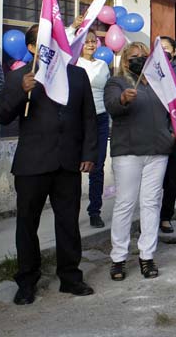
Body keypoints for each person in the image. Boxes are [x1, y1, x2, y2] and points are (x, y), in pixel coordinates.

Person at [0, 25, 97, 305]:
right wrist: (21, 91)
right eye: (42, 42)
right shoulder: (19, 76)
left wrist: (89, 153)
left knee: (68, 223)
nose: (51, 44)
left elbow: (89, 117)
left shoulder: (76, 74)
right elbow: (2, 116)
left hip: (68, 163)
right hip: (32, 164)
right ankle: (27, 281)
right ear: (30, 48)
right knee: (27, 224)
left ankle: (71, 278)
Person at [104, 42, 173, 280]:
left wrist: (171, 136)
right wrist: (123, 99)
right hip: (128, 152)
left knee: (151, 203)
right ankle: (119, 258)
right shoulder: (117, 82)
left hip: (157, 151)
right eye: (135, 56)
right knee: (125, 204)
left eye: (144, 56)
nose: (140, 59)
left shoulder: (157, 82)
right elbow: (111, 106)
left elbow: (173, 109)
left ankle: (147, 255)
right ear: (125, 61)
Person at [73, 30, 111, 228]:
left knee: (97, 166)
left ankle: (94, 211)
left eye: (93, 41)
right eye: (86, 41)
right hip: (77, 120)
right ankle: (71, 212)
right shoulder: (73, 63)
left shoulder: (103, 65)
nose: (90, 44)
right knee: (73, 167)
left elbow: (107, 91)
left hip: (100, 119)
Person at [159, 36, 176, 234]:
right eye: (159, 48)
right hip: (152, 131)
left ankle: (166, 217)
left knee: (170, 179)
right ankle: (150, 217)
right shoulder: (150, 72)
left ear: (174, 52)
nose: (163, 51)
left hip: (173, 130)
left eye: (167, 48)